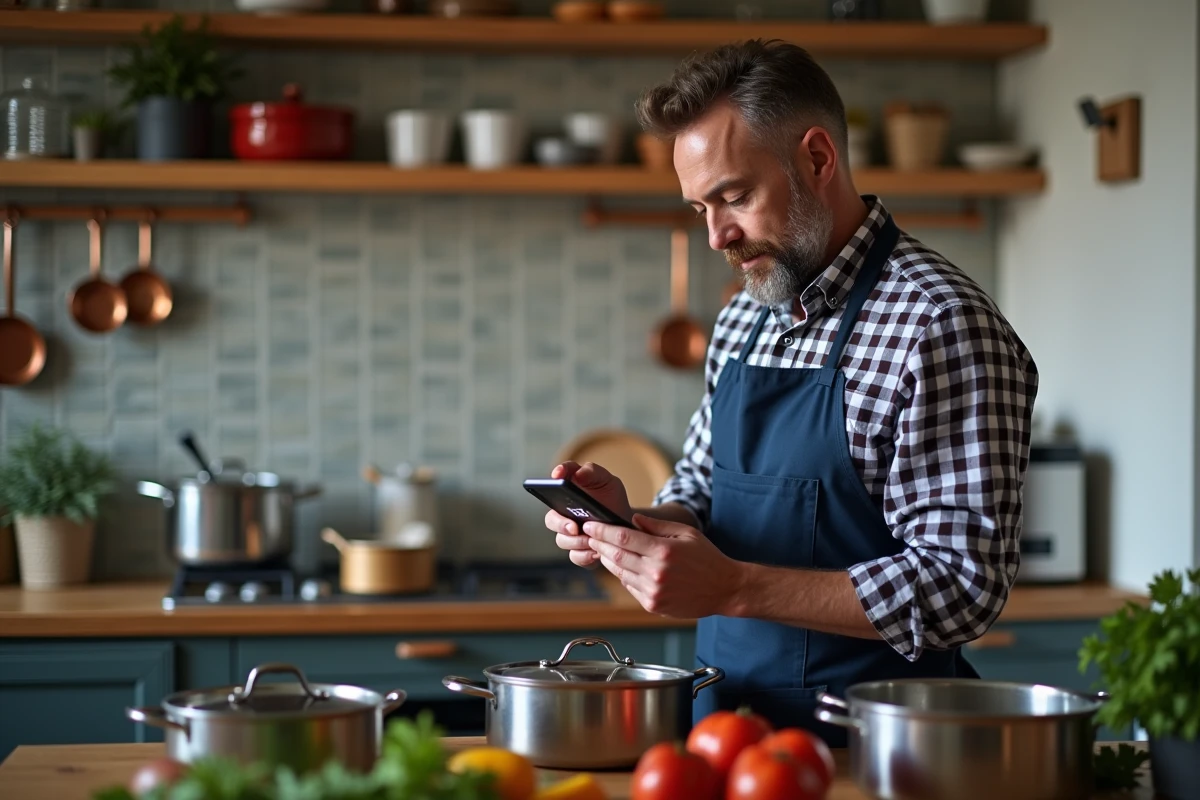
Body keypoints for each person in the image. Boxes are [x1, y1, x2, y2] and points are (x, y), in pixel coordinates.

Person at [544, 39, 1038, 744]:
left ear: (817, 157)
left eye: (735, 196)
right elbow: (704, 494)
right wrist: (633, 523)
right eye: (698, 209)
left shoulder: (942, 325)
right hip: (725, 735)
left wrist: (735, 589)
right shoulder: (747, 310)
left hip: (873, 748)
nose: (717, 235)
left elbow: (962, 588)